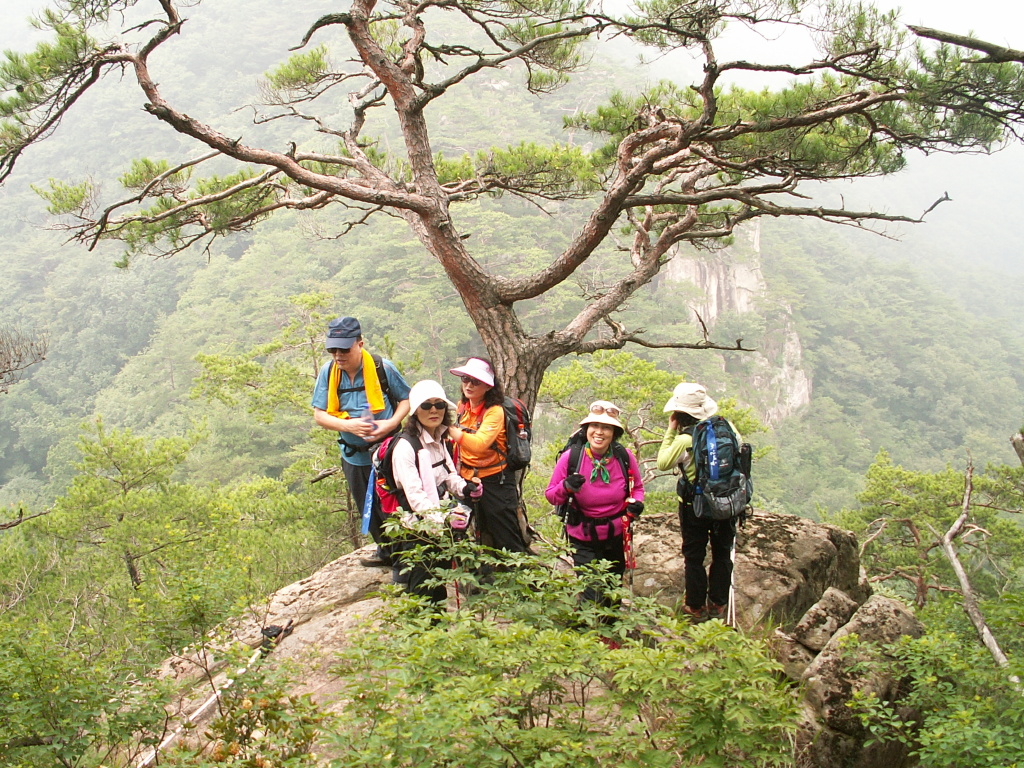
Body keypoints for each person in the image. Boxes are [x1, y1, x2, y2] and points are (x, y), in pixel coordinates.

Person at [311, 316, 411, 567]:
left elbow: (406, 400)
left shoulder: (381, 368)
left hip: (388, 452)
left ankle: (407, 557)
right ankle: (386, 552)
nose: (338, 355)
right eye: (333, 349)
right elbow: (319, 414)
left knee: (395, 503)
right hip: (353, 454)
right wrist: (348, 426)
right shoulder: (329, 372)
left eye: (344, 348)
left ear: (360, 344)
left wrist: (389, 424)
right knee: (366, 504)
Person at [389, 379, 482, 608]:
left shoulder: (439, 438)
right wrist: (445, 519)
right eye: (426, 405)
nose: (433, 410)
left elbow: (448, 475)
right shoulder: (405, 447)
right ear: (414, 411)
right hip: (417, 530)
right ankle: (424, 633)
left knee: (439, 584)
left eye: (439, 405)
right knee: (424, 590)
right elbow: (415, 497)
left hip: (438, 525)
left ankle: (435, 633)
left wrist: (465, 488)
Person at [545, 401, 645, 612]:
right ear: (586, 430)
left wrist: (636, 505)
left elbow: (637, 488)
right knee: (593, 590)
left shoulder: (624, 457)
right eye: (595, 426)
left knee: (612, 590)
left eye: (606, 427)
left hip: (616, 535)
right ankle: (585, 636)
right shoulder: (571, 458)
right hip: (583, 536)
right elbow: (551, 495)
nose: (599, 432)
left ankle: (609, 637)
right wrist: (566, 487)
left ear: (614, 433)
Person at [656, 382, 735, 623]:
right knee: (722, 552)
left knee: (694, 555)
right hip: (727, 500)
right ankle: (719, 604)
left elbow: (662, 462)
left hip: (695, 505)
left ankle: (695, 605)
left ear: (679, 414)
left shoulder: (684, 439)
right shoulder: (728, 428)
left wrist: (670, 431)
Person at [447, 357, 530, 556]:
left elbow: (479, 444)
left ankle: (517, 576)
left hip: (496, 481)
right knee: (464, 527)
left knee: (506, 534)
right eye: (466, 379)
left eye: (475, 381)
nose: (468, 384)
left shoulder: (495, 411)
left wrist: (447, 429)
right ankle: (478, 577)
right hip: (467, 479)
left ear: (488, 386)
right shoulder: (463, 407)